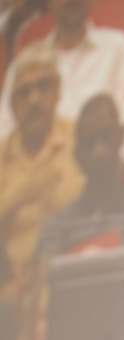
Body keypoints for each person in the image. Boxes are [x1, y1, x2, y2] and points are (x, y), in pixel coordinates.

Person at [0, 0, 124, 163]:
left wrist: (107, 173)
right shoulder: (25, 66)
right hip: (39, 176)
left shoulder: (116, 48)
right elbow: (4, 134)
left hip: (99, 175)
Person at [38, 93, 124, 258]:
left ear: (121, 135)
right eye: (89, 142)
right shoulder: (58, 228)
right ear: (77, 156)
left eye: (105, 136)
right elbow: (48, 280)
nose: (98, 150)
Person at [0, 45, 82, 300]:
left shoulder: (80, 138)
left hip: (71, 274)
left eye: (42, 86)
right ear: (12, 105)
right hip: (9, 287)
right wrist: (22, 192)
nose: (33, 100)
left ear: (57, 90)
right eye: (24, 92)